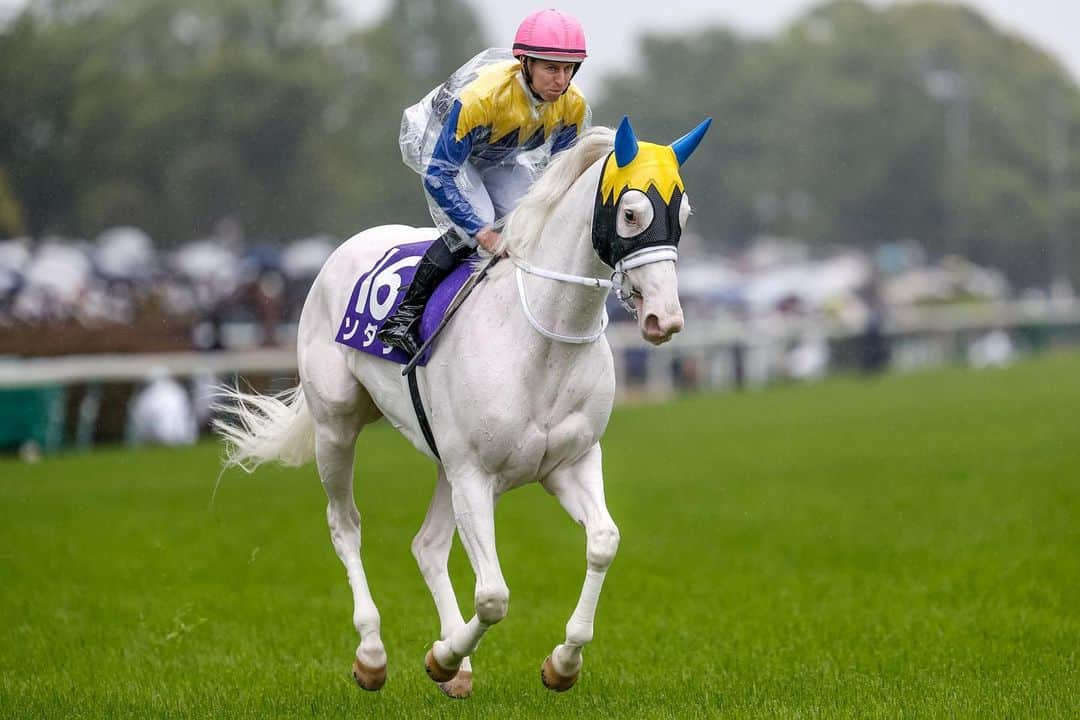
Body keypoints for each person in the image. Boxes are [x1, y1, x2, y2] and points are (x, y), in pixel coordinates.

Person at [378, 8, 590, 357]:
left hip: (495, 152)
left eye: (569, 69)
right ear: (526, 63)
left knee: (530, 219)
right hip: (441, 147)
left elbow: (559, 175)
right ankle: (403, 317)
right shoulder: (482, 98)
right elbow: (439, 173)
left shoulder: (573, 105)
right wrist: (481, 232)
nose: (561, 81)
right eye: (551, 68)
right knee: (480, 221)